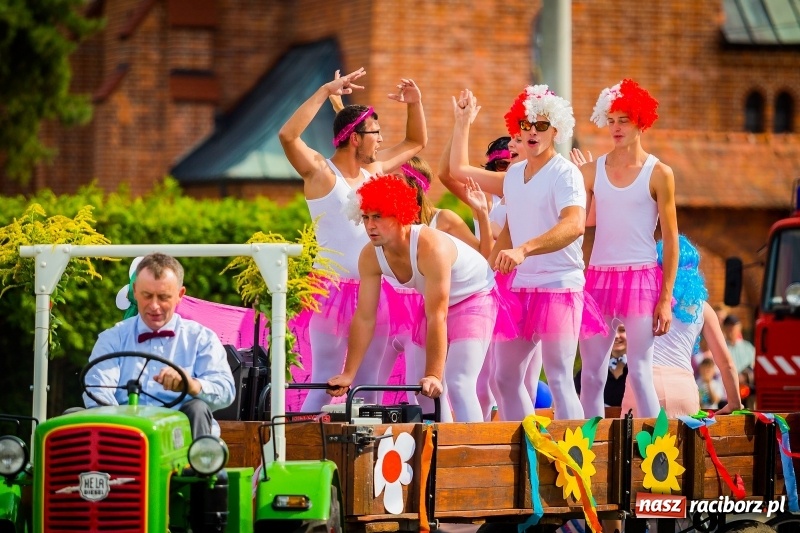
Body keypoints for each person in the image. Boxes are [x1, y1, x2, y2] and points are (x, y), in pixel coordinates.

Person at [449, 86, 607, 421]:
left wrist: (524, 249)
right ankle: (529, 445)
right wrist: (462, 122)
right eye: (526, 124)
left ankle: (575, 450)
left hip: (559, 286)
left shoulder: (565, 173)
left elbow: (574, 225)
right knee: (504, 378)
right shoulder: (514, 176)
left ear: (556, 131)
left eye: (542, 125)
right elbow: (458, 171)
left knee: (560, 378)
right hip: (521, 288)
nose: (533, 131)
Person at [279, 68, 427, 410]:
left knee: (369, 385)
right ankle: (296, 444)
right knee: (324, 382)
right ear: (355, 138)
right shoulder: (319, 172)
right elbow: (287, 136)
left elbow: (416, 142)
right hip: (329, 291)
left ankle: (363, 446)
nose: (381, 139)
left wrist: (414, 103)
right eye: (375, 133)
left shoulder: (373, 171)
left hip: (374, 291)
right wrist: (324, 90)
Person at [327, 175, 499, 422]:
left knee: (458, 382)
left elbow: (437, 315)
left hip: (476, 297)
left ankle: (469, 445)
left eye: (378, 216)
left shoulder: (431, 247)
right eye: (365, 217)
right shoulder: (370, 256)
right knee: (422, 391)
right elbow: (364, 317)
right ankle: (440, 442)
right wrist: (348, 373)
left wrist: (434, 374)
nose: (370, 225)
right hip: (437, 305)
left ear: (400, 214)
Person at [577, 79, 679, 420]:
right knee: (591, 375)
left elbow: (671, 239)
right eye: (611, 120)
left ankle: (659, 446)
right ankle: (591, 445)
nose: (616, 127)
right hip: (598, 277)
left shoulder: (660, 173)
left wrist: (665, 297)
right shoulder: (589, 172)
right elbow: (577, 224)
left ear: (641, 122)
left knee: (640, 372)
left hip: (642, 278)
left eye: (624, 120)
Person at [84, 253, 235, 439]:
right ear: (135, 291)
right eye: (147, 296)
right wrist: (123, 430)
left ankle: (199, 459)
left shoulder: (201, 338)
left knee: (198, 408)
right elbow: (97, 391)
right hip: (123, 436)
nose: (154, 306)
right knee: (72, 416)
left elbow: (226, 391)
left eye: (163, 297)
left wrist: (191, 385)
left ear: (180, 295)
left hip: (182, 440)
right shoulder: (113, 338)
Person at [620, 236, 743, 417]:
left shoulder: (638, 300)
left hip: (641, 384)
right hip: (682, 388)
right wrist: (734, 403)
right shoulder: (703, 308)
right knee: (684, 437)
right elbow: (727, 364)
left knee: (633, 436)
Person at [574, 324, 628, 408]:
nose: (616, 336)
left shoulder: (643, 371)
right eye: (611, 331)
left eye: (622, 330)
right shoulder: (589, 373)